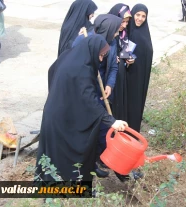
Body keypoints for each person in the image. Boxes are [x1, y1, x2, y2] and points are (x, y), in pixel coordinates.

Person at [36, 35, 128, 181]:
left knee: (57, 158)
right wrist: (112, 121)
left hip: (56, 112)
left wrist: (58, 94)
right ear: (92, 50)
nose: (101, 59)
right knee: (66, 157)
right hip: (60, 119)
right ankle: (64, 191)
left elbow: (51, 70)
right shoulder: (82, 70)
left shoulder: (70, 56)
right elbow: (89, 101)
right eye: (101, 55)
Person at [71, 14, 122, 178]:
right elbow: (75, 69)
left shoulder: (112, 42)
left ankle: (97, 162)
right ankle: (86, 168)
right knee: (87, 132)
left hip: (101, 91)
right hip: (85, 92)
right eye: (115, 31)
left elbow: (113, 66)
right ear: (108, 29)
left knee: (101, 129)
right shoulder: (83, 40)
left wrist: (109, 85)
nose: (116, 35)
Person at [127, 4, 153, 132]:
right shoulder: (127, 32)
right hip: (127, 75)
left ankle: (133, 129)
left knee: (136, 104)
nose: (140, 18)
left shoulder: (144, 33)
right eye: (138, 15)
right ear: (133, 15)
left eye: (143, 16)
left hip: (140, 76)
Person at [108, 3, 134, 121]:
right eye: (122, 21)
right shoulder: (106, 32)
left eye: (127, 22)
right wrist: (111, 57)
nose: (124, 25)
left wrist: (129, 59)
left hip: (120, 74)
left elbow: (125, 52)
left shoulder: (123, 34)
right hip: (109, 78)